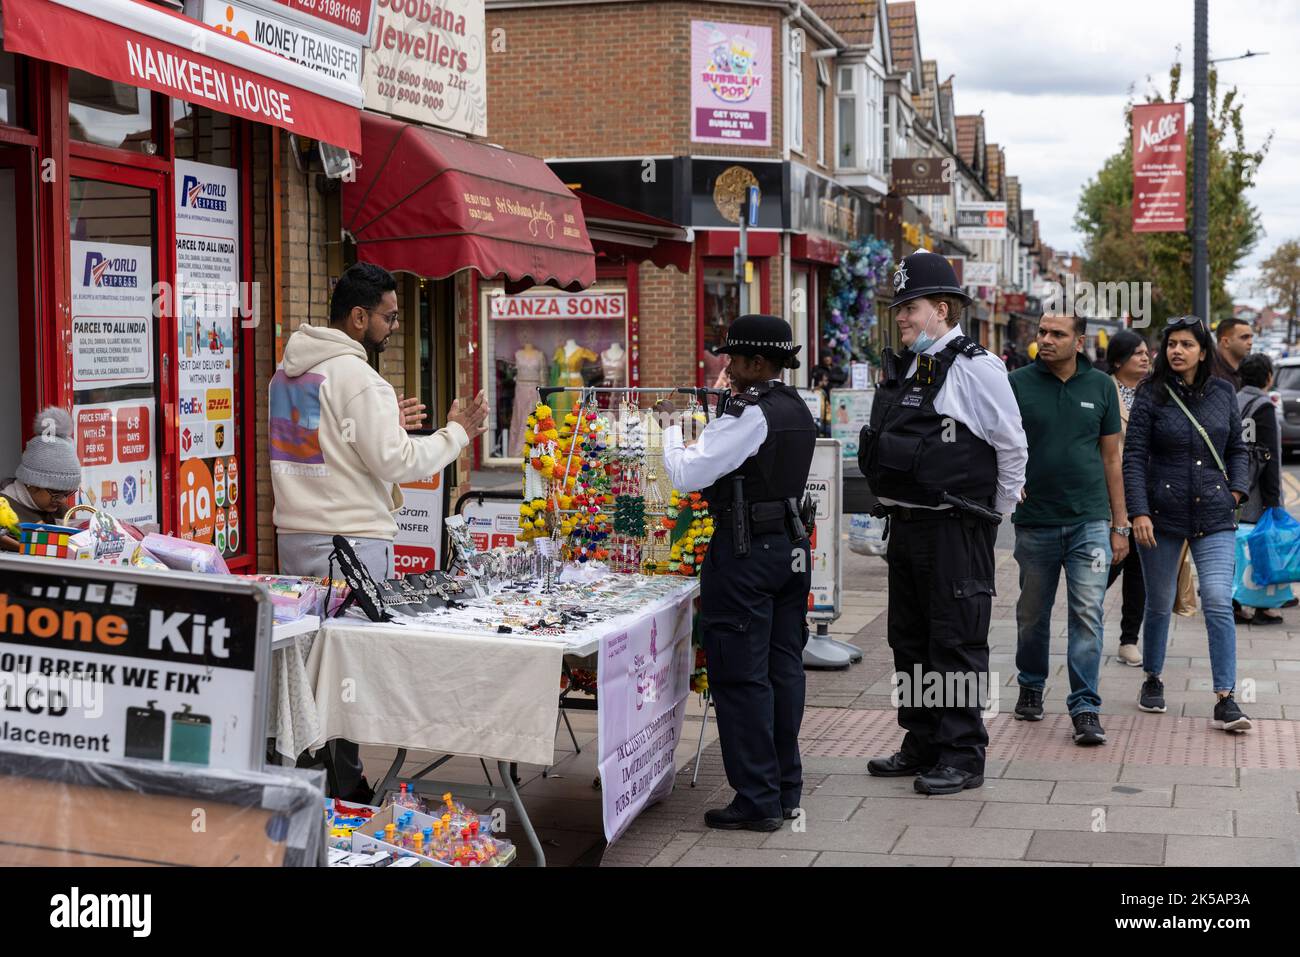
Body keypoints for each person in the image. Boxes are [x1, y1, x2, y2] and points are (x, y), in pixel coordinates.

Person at [270, 261, 489, 799]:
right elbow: (396, 463)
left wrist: (384, 423)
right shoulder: (356, 376)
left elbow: (335, 448)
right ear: (359, 316)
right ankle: (344, 786)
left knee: (305, 669)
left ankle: (311, 781)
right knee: (348, 674)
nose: (394, 327)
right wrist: (456, 434)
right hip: (349, 543)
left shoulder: (289, 372)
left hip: (297, 538)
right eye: (389, 317)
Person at [859, 251, 1027, 794]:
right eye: (899, 307)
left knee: (954, 642)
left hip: (957, 527)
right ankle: (922, 740)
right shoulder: (910, 365)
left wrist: (993, 517)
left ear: (941, 308)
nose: (901, 316)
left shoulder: (977, 367)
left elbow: (1012, 445)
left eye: (909, 307)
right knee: (909, 639)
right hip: (908, 527)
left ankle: (961, 753)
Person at [657, 314, 816, 831]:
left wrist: (669, 432)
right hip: (790, 552)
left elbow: (685, 474)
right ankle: (785, 789)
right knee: (783, 669)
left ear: (756, 361)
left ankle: (756, 799)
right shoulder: (797, 405)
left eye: (732, 359)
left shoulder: (749, 414)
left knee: (741, 676)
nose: (726, 369)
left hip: (747, 553)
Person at [1123, 315, 1252, 733]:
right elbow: (1134, 457)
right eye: (1172, 344)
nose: (1177, 351)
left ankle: (1225, 698)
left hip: (1215, 515)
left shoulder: (1222, 393)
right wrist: (1138, 511)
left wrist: (1236, 492)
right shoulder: (1151, 394)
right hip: (1161, 515)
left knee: (1216, 599)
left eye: (1187, 345)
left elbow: (1238, 449)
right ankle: (1153, 678)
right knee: (1159, 602)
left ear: (1203, 351)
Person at [1009, 315, 1128, 746]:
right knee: (1031, 615)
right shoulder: (1016, 383)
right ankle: (1031, 684)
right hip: (1036, 521)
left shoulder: (1101, 387)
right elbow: (1000, 444)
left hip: (1090, 522)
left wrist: (1120, 525)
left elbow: (1113, 459)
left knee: (1087, 613)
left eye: (1057, 334)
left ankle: (1085, 707)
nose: (1046, 340)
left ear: (1079, 341)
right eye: (1042, 332)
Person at [1105, 331, 1152, 665]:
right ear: (1119, 360)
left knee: (1138, 570)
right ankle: (1085, 627)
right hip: (1112, 495)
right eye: (1138, 353)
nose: (1146, 358)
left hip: (1148, 498)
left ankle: (1128, 640)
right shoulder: (1102, 390)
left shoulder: (1154, 394)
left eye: (1147, 352)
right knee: (1105, 567)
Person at [1234, 352, 1285, 625]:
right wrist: (1274, 500)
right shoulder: (1264, 406)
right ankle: (1263, 606)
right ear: (1268, 377)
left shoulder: (1233, 399)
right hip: (1256, 489)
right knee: (1262, 546)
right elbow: (1270, 458)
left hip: (1234, 483)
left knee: (1236, 547)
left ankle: (1235, 602)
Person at [0, 407, 83, 552]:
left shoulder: (59, 510)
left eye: (67, 493)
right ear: (32, 482)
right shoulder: (4, 508)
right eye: (56, 493)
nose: (63, 500)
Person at [1210, 317, 1252, 390]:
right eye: (1244, 337)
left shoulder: (1247, 370)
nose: (1250, 342)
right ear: (1226, 342)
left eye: (1251, 337)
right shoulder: (1211, 374)